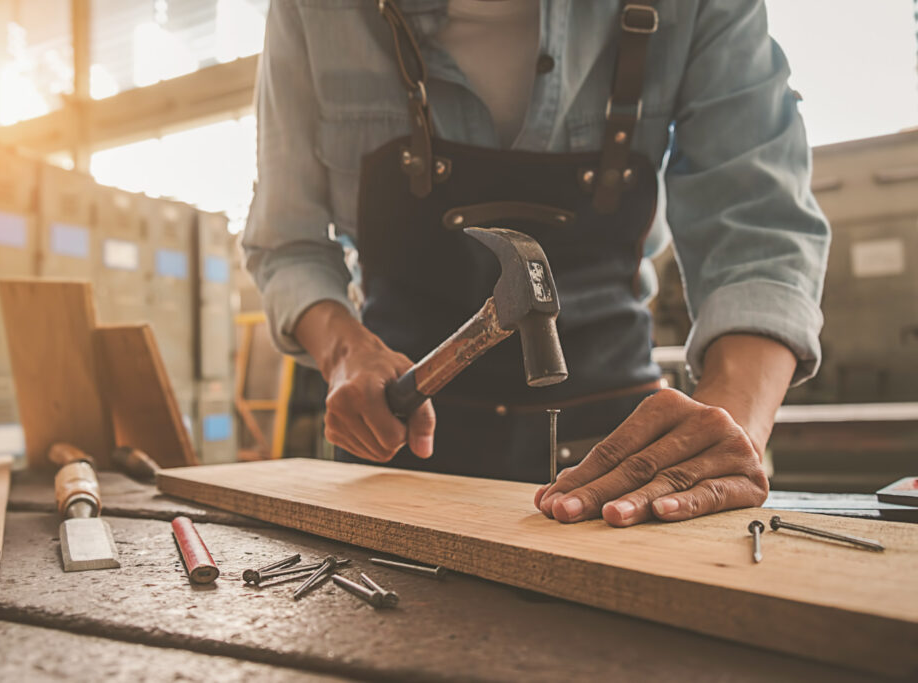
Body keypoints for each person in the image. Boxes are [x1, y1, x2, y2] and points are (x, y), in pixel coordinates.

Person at [243, 0, 830, 527]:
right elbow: (286, 242)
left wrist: (729, 420)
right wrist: (346, 352)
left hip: (618, 456)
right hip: (394, 440)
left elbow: (761, 232)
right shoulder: (310, 9)